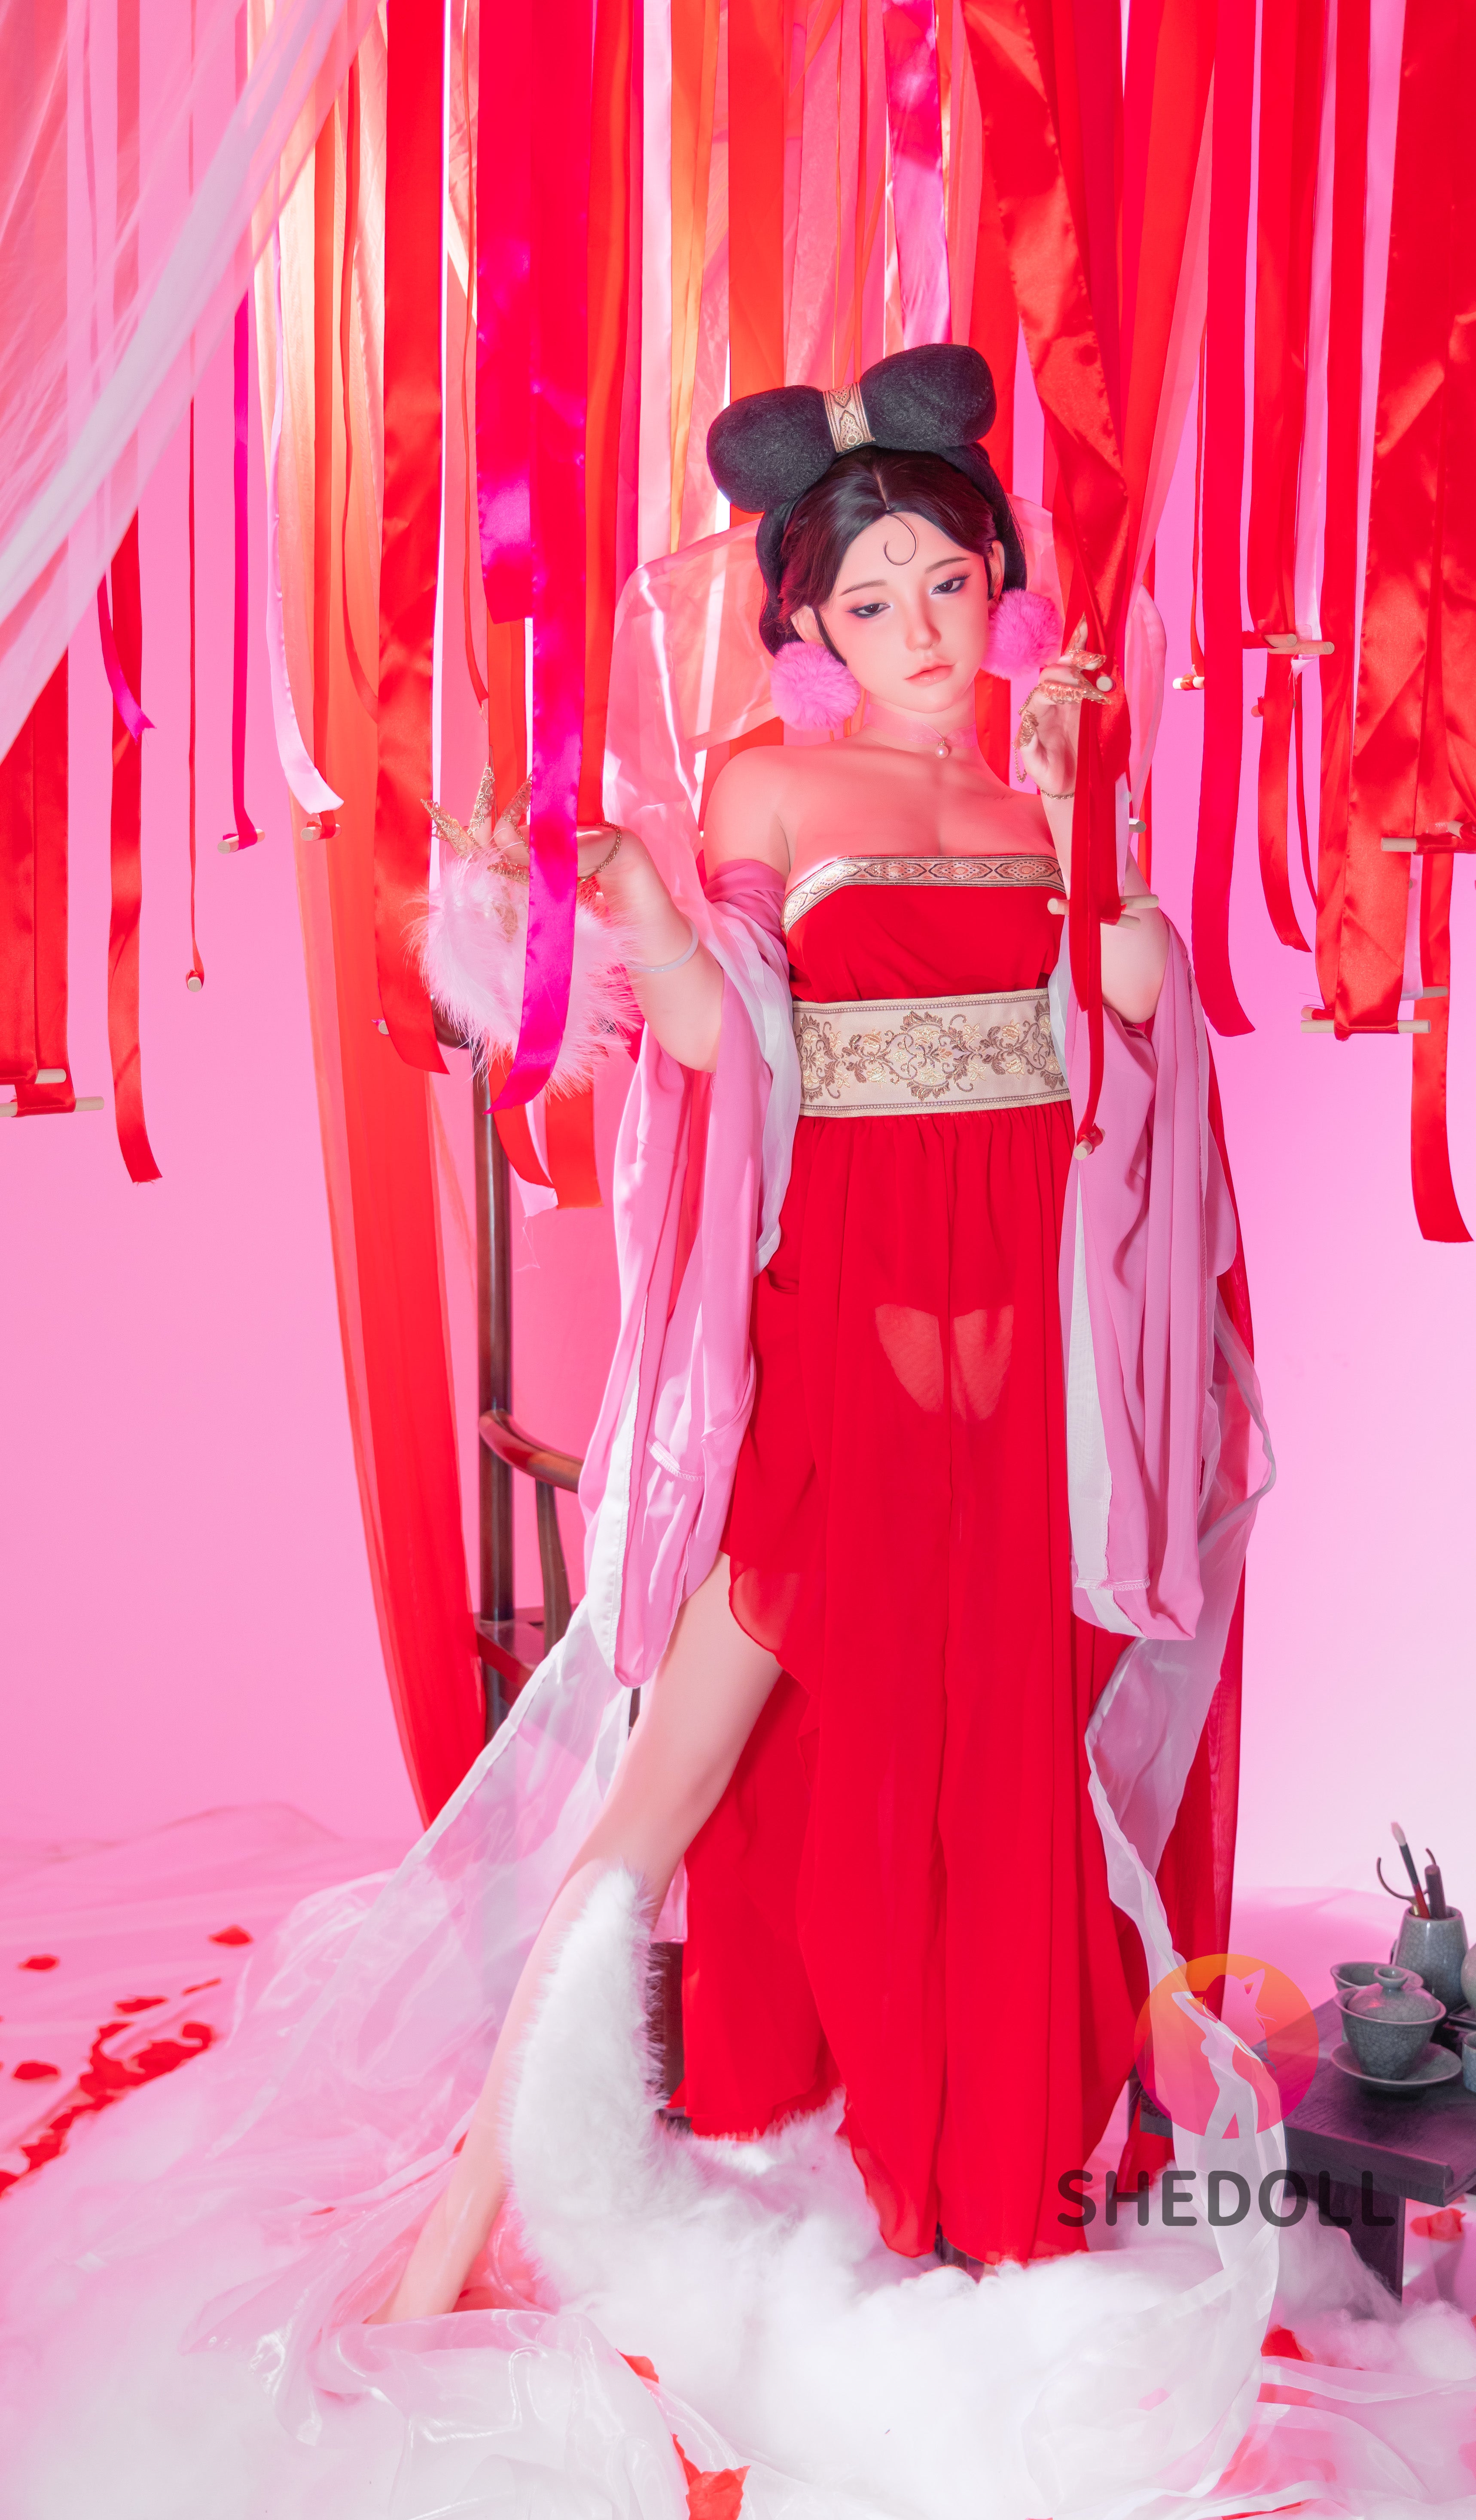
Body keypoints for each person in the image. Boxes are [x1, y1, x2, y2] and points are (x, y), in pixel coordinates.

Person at [378, 343, 1229, 2317]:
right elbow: (724, 1037)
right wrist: (640, 910)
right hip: (843, 1326)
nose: (921, 631)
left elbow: (1130, 1004)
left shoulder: (1033, 776)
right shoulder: (770, 781)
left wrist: (1088, 823)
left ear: (1000, 579)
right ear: (810, 632)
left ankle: (988, 2188)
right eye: (869, 603)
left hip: (1026, 1341)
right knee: (700, 1773)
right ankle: (455, 2245)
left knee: (1005, 1751)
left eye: (948, 582)